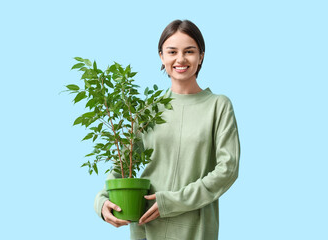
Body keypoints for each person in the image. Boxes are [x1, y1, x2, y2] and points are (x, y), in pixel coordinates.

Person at [94, 19, 241, 240]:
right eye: (172, 51)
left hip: (195, 227)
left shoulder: (218, 106)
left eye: (189, 51)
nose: (180, 59)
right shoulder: (147, 109)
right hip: (146, 225)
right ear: (162, 56)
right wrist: (102, 201)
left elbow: (227, 170)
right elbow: (123, 166)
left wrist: (171, 202)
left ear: (201, 56)